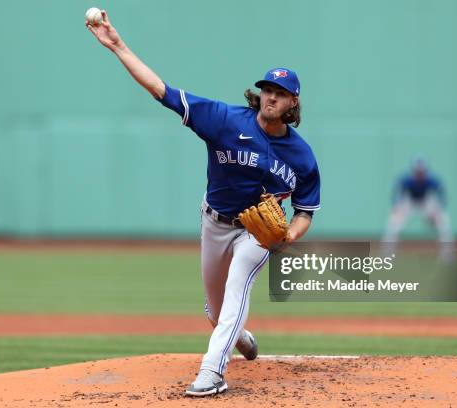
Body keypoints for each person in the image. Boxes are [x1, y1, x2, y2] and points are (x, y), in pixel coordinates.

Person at [86, 10, 321, 397]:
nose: (270, 97)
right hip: (214, 222)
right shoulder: (225, 120)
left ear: (292, 102)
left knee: (238, 286)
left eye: (279, 93)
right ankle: (239, 337)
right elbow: (161, 90)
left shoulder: (301, 155)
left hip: (256, 234)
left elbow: (306, 209)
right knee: (216, 312)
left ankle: (212, 372)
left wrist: (289, 235)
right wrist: (118, 46)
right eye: (267, 89)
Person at [382, 158, 454, 260]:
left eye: (422, 172)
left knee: (444, 223)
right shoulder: (407, 180)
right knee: (393, 224)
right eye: (417, 171)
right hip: (410, 202)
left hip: (426, 202)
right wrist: (396, 206)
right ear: (413, 171)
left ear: (426, 171)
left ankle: (447, 255)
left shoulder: (431, 180)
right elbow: (397, 193)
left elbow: (441, 193)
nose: (420, 174)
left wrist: (439, 208)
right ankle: (387, 256)